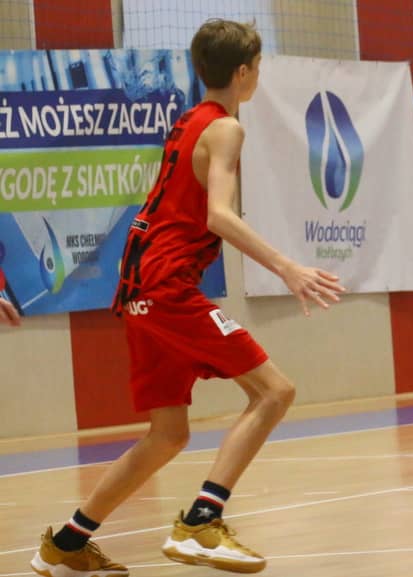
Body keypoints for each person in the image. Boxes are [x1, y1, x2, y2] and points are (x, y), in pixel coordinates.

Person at [30, 19, 344, 576]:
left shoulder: (189, 121)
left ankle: (67, 545)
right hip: (166, 285)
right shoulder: (225, 128)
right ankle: (202, 521)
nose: (258, 75)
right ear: (243, 72)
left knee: (168, 434)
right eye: (258, 67)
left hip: (139, 288)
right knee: (275, 392)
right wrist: (288, 268)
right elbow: (218, 215)